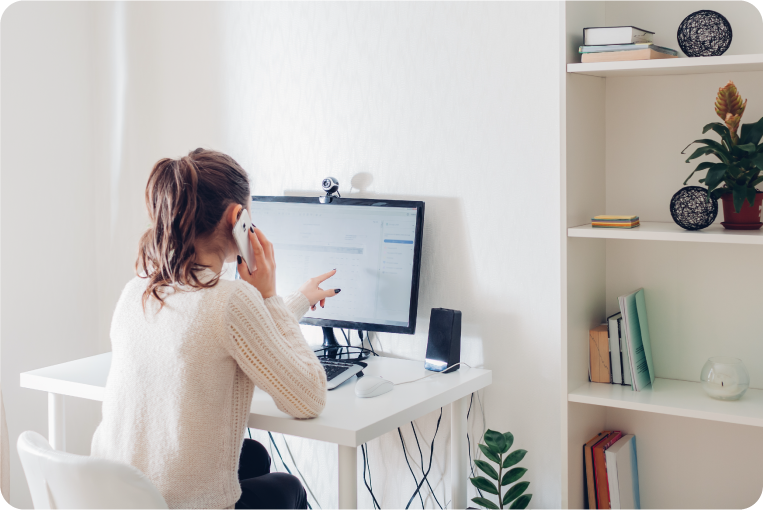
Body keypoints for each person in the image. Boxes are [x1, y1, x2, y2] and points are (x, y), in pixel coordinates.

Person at [91, 148, 337, 510]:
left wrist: (295, 300)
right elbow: (309, 398)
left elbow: (228, 332)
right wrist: (267, 294)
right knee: (288, 487)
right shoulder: (231, 299)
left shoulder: (138, 290)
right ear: (238, 217)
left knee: (251, 456)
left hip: (118, 497)